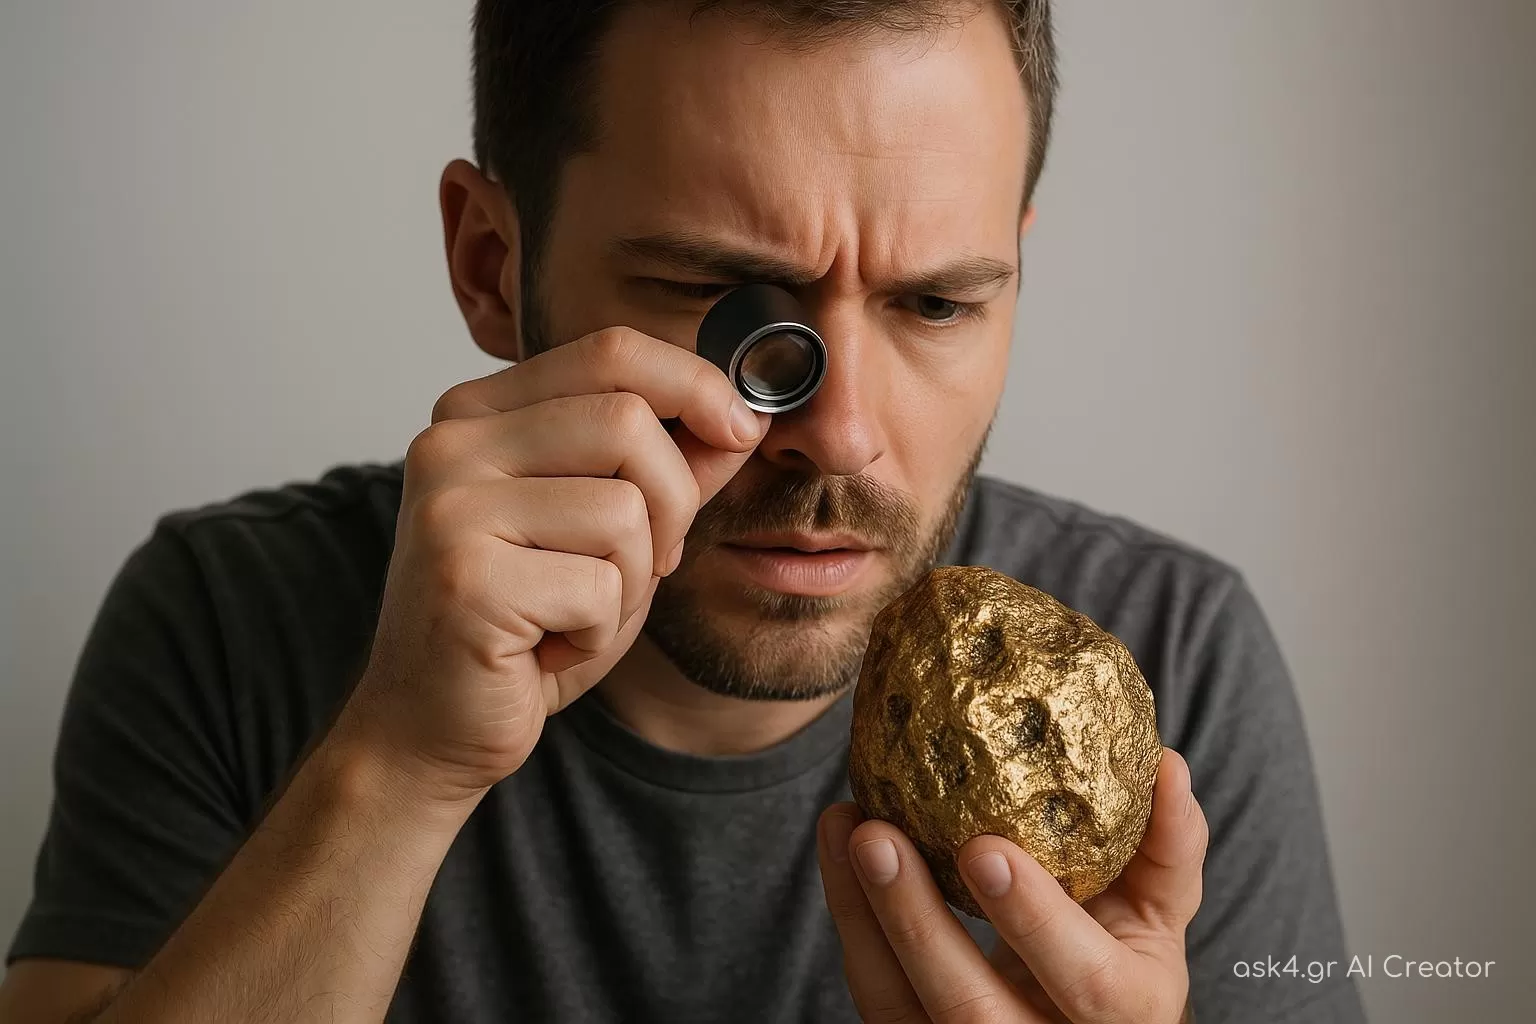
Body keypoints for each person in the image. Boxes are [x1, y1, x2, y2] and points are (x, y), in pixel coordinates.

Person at [0, 2, 1366, 1022]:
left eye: (938, 302)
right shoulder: (233, 625)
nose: (836, 433)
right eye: (726, 299)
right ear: (492, 262)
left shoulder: (1173, 657)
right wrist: (400, 773)